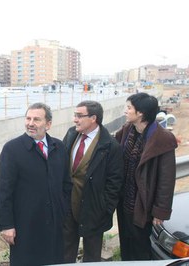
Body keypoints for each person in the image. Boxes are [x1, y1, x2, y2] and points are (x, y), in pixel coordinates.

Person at [0, 102, 72, 265]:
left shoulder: (58, 147)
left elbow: (67, 184)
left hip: (54, 224)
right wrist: (7, 225)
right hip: (26, 225)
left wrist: (62, 210)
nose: (30, 123)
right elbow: (4, 191)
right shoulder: (12, 149)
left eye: (37, 119)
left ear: (48, 124)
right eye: (28, 118)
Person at [115, 92, 177, 260]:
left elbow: (166, 179)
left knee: (140, 246)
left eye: (128, 108)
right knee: (126, 242)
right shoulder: (128, 130)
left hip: (143, 204)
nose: (125, 111)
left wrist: (160, 211)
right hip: (124, 201)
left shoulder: (162, 138)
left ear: (140, 113)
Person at [62, 100, 124, 262]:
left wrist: (105, 209)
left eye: (79, 116)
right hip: (68, 207)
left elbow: (115, 183)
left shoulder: (110, 146)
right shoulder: (71, 134)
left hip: (94, 209)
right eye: (75, 115)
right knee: (65, 253)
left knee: (92, 256)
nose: (75, 119)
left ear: (93, 118)